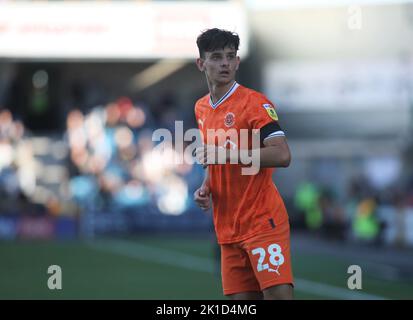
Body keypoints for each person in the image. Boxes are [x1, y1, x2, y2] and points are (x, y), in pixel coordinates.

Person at [193, 28, 293, 300]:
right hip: (227, 227)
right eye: (216, 57)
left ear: (237, 62)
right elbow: (214, 159)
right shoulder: (201, 108)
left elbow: (282, 155)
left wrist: (225, 154)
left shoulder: (255, 104)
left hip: (261, 222)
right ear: (201, 63)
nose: (225, 63)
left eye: (230, 56)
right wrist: (206, 186)